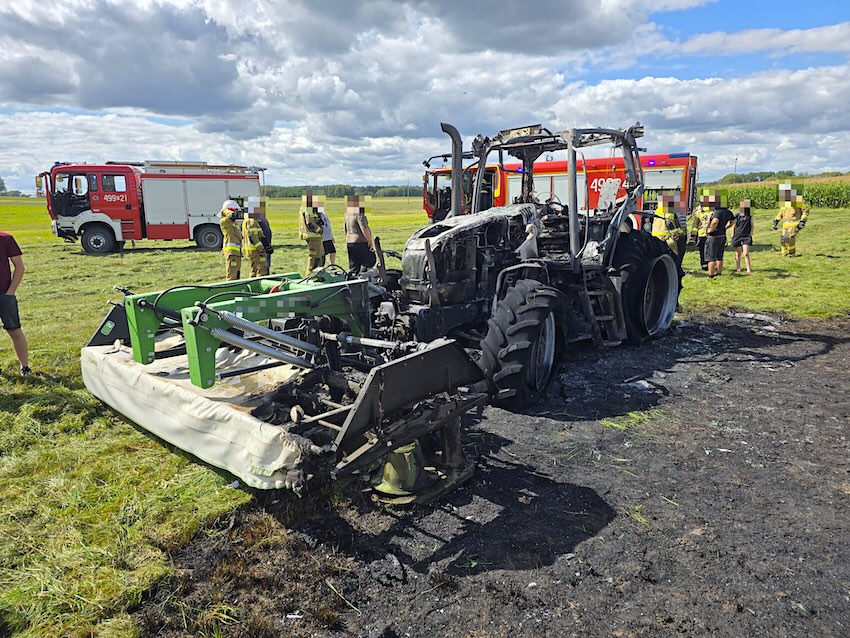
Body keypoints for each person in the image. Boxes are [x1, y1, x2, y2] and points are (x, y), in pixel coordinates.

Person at [0, 230, 30, 376]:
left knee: (14, 331)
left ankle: (25, 367)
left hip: (4, 296)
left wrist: (10, 292)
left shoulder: (6, 239)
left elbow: (19, 267)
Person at [772, 184, 810, 257]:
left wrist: (803, 221)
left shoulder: (799, 201)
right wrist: (776, 221)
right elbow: (781, 213)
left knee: (790, 238)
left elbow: (805, 211)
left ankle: (791, 253)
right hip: (785, 224)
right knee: (783, 239)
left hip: (794, 222)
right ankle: (784, 253)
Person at [704, 193, 735, 278]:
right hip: (722, 235)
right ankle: (719, 272)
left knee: (711, 257)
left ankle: (711, 274)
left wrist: (710, 230)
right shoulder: (728, 212)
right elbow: (733, 221)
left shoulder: (717, 212)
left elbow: (715, 221)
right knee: (719, 256)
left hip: (713, 236)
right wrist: (726, 227)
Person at [651, 193, 686, 266]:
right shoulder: (668, 209)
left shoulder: (658, 210)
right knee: (673, 257)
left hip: (657, 237)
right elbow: (669, 222)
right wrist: (675, 233)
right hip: (667, 238)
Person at [344, 194, 375, 274]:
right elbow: (364, 228)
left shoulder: (347, 214)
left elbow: (345, 229)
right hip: (360, 242)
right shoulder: (359, 214)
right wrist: (369, 241)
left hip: (350, 242)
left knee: (353, 266)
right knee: (367, 263)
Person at [298, 190, 325, 273]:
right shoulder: (308, 208)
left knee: (320, 255)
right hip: (312, 236)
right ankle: (310, 275)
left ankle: (318, 274)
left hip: (315, 236)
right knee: (314, 256)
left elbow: (313, 220)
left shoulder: (310, 208)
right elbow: (310, 223)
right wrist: (320, 230)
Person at [219, 200, 242, 281]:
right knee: (232, 275)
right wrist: (226, 210)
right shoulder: (225, 221)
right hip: (232, 252)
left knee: (236, 273)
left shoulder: (232, 223)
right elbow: (231, 215)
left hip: (235, 252)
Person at [689, 192, 712, 271]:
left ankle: (706, 265)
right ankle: (706, 265)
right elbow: (695, 223)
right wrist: (693, 234)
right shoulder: (711, 210)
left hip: (704, 234)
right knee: (706, 250)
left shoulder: (700, 210)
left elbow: (695, 223)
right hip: (708, 234)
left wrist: (693, 235)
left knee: (704, 251)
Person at [241, 212, 269, 277]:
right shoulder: (252, 222)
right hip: (256, 251)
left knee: (254, 269)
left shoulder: (249, 221)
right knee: (262, 270)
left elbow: (259, 235)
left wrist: (266, 244)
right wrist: (261, 249)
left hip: (251, 251)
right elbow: (253, 238)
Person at [731, 199, 754, 274]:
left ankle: (748, 269)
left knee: (746, 253)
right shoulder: (737, 215)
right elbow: (734, 225)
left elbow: (752, 225)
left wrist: (750, 234)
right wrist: (732, 234)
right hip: (737, 235)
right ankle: (738, 268)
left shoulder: (750, 216)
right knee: (738, 253)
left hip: (746, 236)